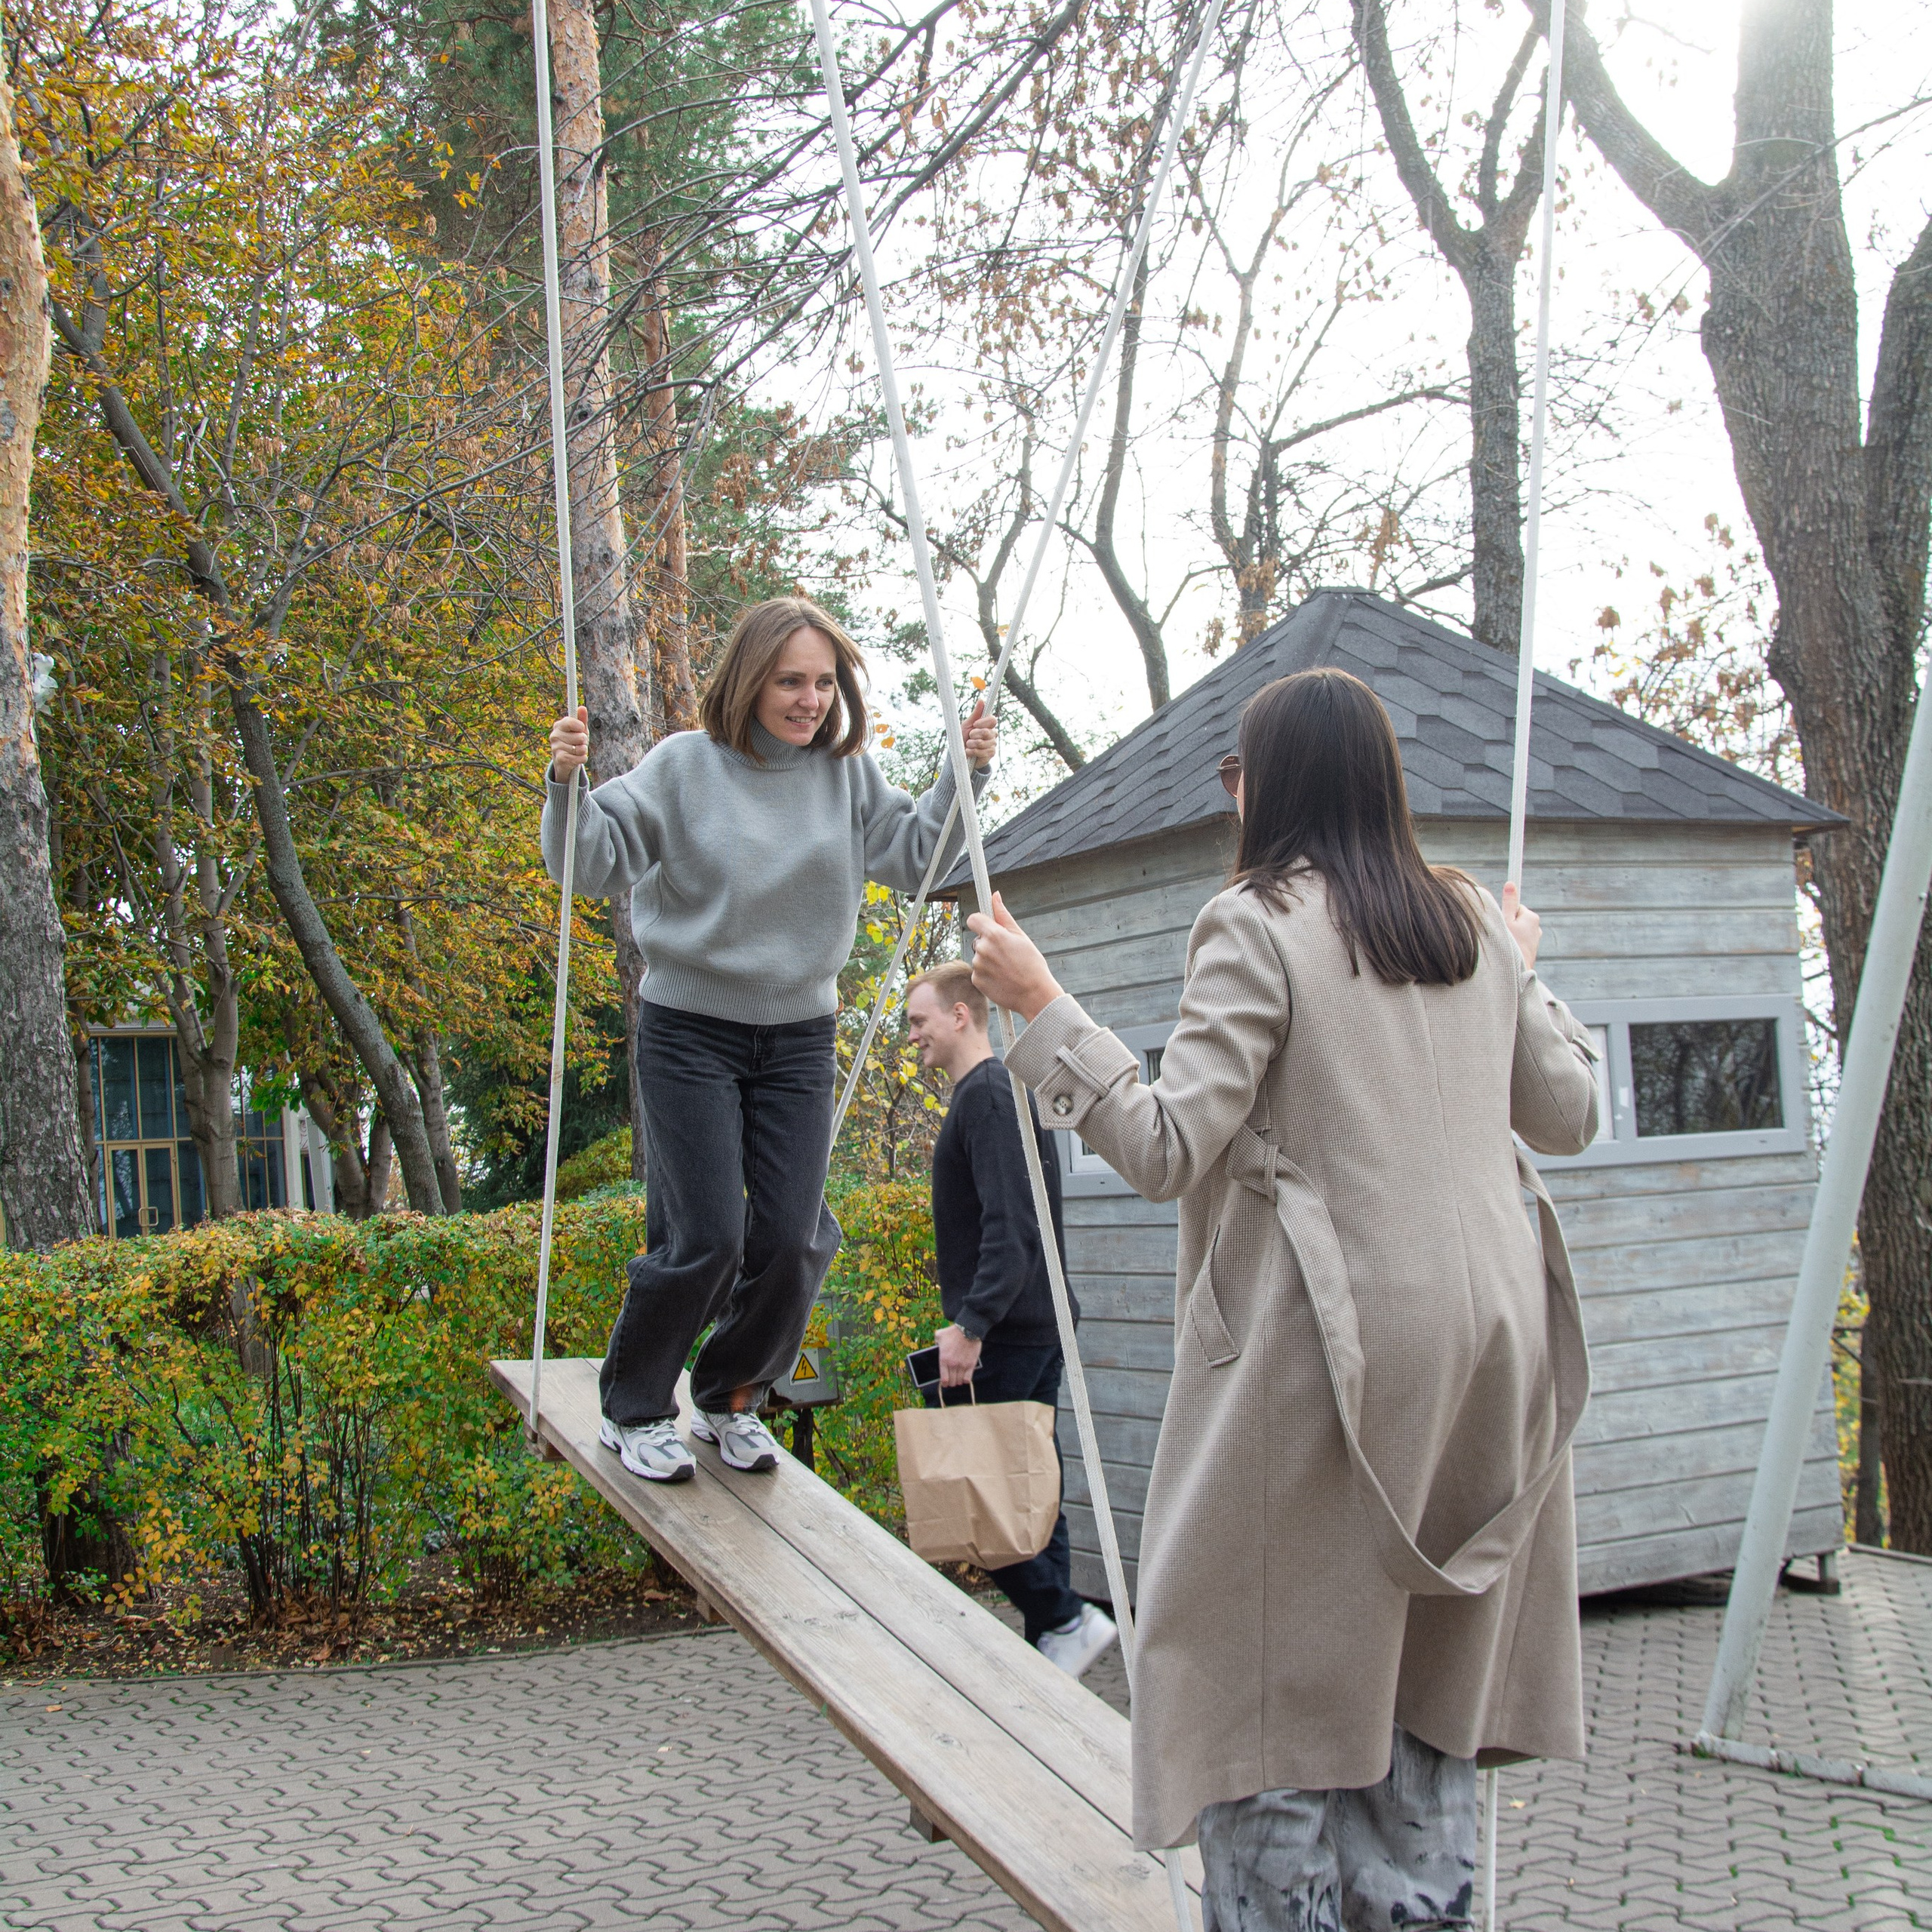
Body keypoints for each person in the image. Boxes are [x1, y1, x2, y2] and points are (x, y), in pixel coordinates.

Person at [967, 666, 1599, 1932]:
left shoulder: (1252, 922)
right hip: (1493, 1356)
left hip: (1330, 1347)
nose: (1231, 794)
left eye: (1237, 770)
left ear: (1278, 781)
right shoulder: (1470, 920)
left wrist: (1041, 1008)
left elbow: (1163, 1148)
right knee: (1423, 1666)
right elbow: (1571, 1112)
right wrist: (1524, 973)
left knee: (1260, 1678)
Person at [543, 596, 994, 1484]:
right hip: (689, 1032)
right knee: (706, 1234)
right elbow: (590, 865)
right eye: (791, 680)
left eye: (824, 682)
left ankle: (728, 1396)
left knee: (791, 1238)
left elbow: (916, 857)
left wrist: (961, 777)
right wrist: (567, 784)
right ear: (749, 679)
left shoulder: (845, 777)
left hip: (796, 1037)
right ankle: (634, 1409)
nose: (810, 699)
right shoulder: (682, 767)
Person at [904, 961, 1119, 1679]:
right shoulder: (982, 1096)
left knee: (985, 1494)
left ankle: (1061, 1616)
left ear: (961, 1016)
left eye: (919, 1021)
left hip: (1011, 1329)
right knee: (1027, 1486)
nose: (913, 1037)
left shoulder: (990, 1095)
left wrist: (970, 1327)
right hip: (1024, 1325)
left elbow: (1014, 1228)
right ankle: (1056, 1638)